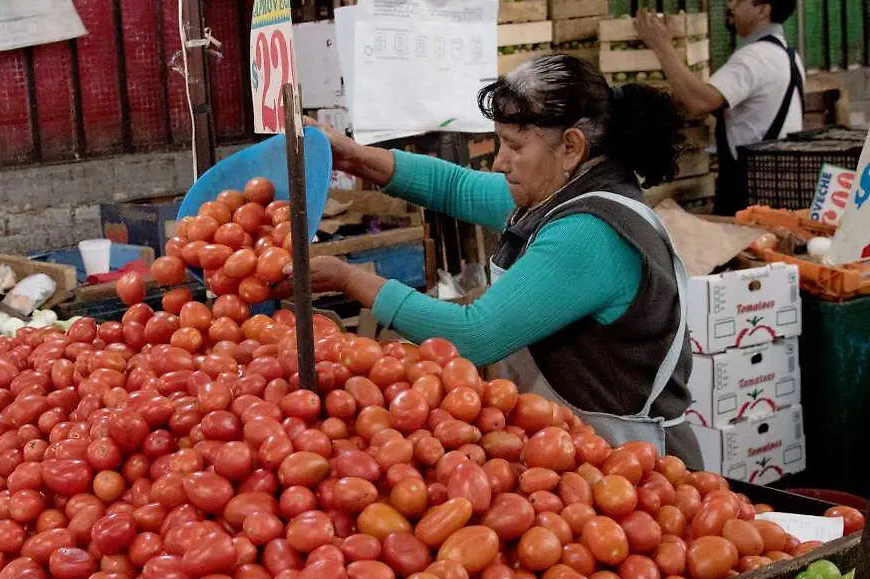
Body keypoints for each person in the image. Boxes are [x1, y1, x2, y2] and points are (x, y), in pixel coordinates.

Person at [293, 55, 703, 467]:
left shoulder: (589, 232)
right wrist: (352, 157)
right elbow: (454, 186)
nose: (499, 162)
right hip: (573, 450)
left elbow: (475, 336)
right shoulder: (558, 191)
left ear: (571, 147)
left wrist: (349, 279)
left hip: (633, 465)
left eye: (514, 146)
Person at [636, 1, 804, 216]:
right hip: (775, 185)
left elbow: (698, 102)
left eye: (739, 0)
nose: (730, 4)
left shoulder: (754, 57)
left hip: (748, 193)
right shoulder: (787, 55)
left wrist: (661, 46)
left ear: (763, 10)